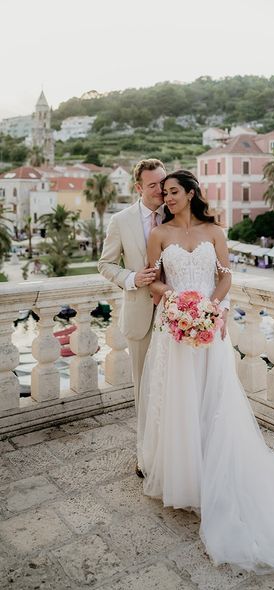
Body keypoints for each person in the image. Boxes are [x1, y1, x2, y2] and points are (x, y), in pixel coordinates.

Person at [137, 170, 274, 573]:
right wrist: (176, 302)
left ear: (190, 193)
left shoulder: (214, 232)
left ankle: (217, 468)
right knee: (179, 398)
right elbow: (155, 283)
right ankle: (185, 473)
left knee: (214, 396)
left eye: (173, 192)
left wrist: (212, 309)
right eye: (164, 193)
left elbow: (225, 277)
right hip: (174, 328)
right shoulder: (159, 235)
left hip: (209, 327)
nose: (166, 198)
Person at [98, 158, 166, 476]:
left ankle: (171, 451)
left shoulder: (176, 215)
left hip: (173, 318)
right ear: (139, 187)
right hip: (139, 317)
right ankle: (144, 457)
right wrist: (131, 278)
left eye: (162, 184)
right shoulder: (121, 221)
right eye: (152, 185)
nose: (160, 190)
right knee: (143, 388)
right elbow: (105, 264)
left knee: (170, 387)